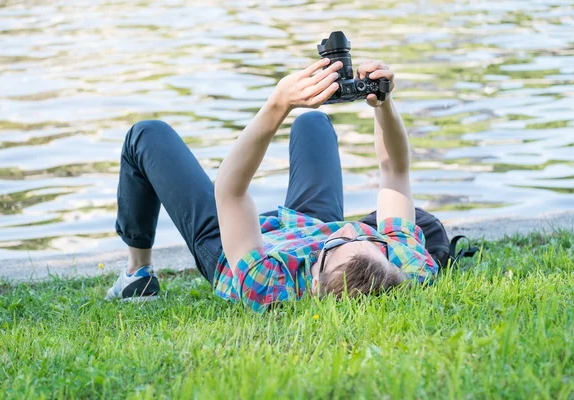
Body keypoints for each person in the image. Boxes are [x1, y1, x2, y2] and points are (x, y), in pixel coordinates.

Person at [106, 58, 438, 311]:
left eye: (338, 243)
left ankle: (138, 272)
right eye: (369, 239)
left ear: (313, 282)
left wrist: (278, 104)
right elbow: (395, 170)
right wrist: (384, 104)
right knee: (313, 121)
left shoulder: (265, 284)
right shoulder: (407, 264)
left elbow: (232, 191)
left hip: (229, 246)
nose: (351, 228)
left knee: (147, 135)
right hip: (307, 224)